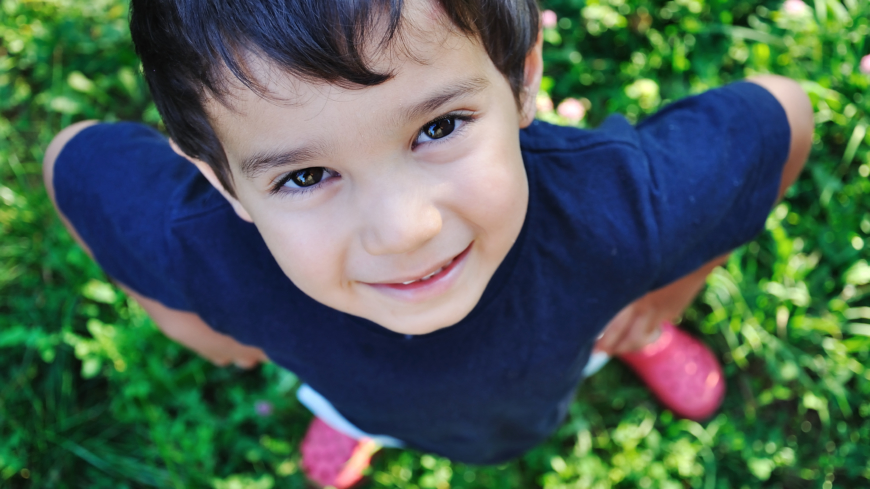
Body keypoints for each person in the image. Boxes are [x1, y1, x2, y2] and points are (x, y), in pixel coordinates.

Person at [42, 0, 813, 486]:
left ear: (520, 81)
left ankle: (639, 338)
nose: (404, 229)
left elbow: (783, 115)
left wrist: (662, 290)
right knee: (364, 406)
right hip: (352, 384)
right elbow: (70, 165)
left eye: (438, 128)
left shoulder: (624, 206)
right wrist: (192, 322)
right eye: (306, 176)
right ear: (220, 182)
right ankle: (360, 424)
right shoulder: (201, 248)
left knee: (585, 351)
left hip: (581, 327)